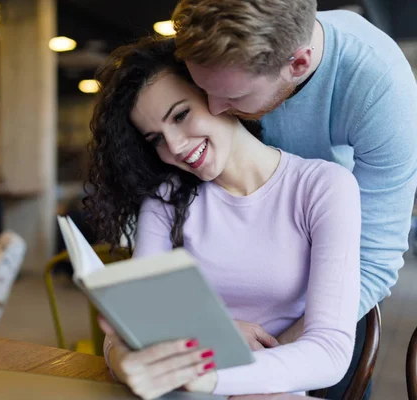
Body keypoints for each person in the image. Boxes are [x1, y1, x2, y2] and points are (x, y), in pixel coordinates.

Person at [84, 36, 361, 399]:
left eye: (181, 115)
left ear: (218, 95)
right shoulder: (167, 197)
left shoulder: (323, 187)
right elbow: (125, 334)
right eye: (156, 139)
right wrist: (126, 365)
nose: (176, 147)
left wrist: (210, 370)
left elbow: (329, 351)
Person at [171, 1, 417, 397]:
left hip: (328, 291)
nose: (214, 109)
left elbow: (374, 257)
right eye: (203, 91)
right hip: (228, 292)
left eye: (233, 96)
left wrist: (271, 359)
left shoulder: (379, 86)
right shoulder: (222, 66)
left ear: (298, 64)